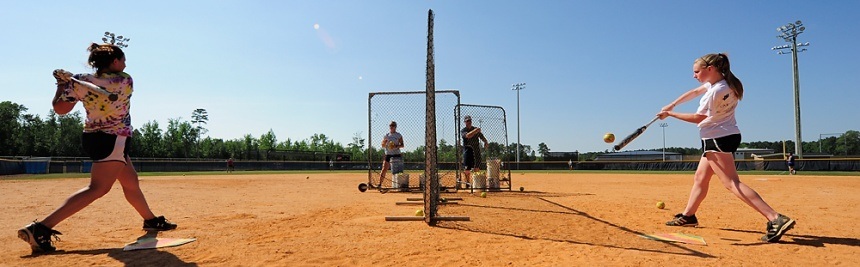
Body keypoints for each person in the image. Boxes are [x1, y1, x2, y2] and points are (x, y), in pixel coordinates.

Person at [18, 42, 176, 254]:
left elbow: (61, 109)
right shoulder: (124, 80)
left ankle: (150, 220)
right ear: (114, 61)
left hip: (94, 137)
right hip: (113, 139)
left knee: (130, 181)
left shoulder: (81, 82)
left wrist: (62, 85)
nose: (125, 63)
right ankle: (41, 228)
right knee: (98, 188)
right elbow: (102, 86)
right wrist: (72, 81)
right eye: (123, 59)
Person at [657, 53, 795, 243]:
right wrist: (672, 103)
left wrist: (671, 114)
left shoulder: (714, 92)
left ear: (710, 69)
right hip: (726, 135)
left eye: (697, 71)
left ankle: (774, 217)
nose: (694, 75)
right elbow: (695, 92)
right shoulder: (726, 83)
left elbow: (699, 118)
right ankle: (689, 215)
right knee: (700, 177)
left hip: (716, 138)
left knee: (731, 183)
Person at [460, 115, 489, 189]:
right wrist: (475, 131)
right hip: (468, 150)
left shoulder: (475, 129)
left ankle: (476, 184)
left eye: (469, 121)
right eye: (467, 121)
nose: (468, 122)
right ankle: (467, 183)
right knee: (467, 169)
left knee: (477, 167)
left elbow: (481, 136)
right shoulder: (463, 130)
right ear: (465, 122)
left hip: (476, 150)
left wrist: (485, 142)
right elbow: (468, 136)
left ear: (471, 121)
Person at [378, 121, 404, 188]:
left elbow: (402, 145)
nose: (391, 127)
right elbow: (383, 145)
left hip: (396, 154)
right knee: (384, 169)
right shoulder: (386, 135)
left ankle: (399, 185)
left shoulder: (398, 135)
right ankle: (380, 184)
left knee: (398, 171)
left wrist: (396, 146)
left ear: (395, 127)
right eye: (390, 125)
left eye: (393, 125)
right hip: (388, 154)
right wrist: (385, 142)